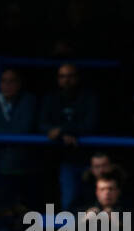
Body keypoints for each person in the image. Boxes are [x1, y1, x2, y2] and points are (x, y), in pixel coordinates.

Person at [0, 68, 39, 213]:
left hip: (25, 166)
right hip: (0, 164)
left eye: (11, 81)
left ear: (19, 84)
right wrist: (8, 131)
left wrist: (0, 131)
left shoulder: (29, 101)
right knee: (1, 209)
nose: (7, 85)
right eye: (4, 81)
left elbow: (23, 128)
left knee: (25, 213)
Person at [39, 64, 99, 208]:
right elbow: (41, 125)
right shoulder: (51, 98)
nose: (67, 80)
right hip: (63, 159)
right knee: (69, 201)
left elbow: (90, 125)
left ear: (77, 78)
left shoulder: (89, 97)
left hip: (88, 158)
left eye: (70, 76)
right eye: (63, 76)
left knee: (92, 201)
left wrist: (61, 131)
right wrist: (64, 134)